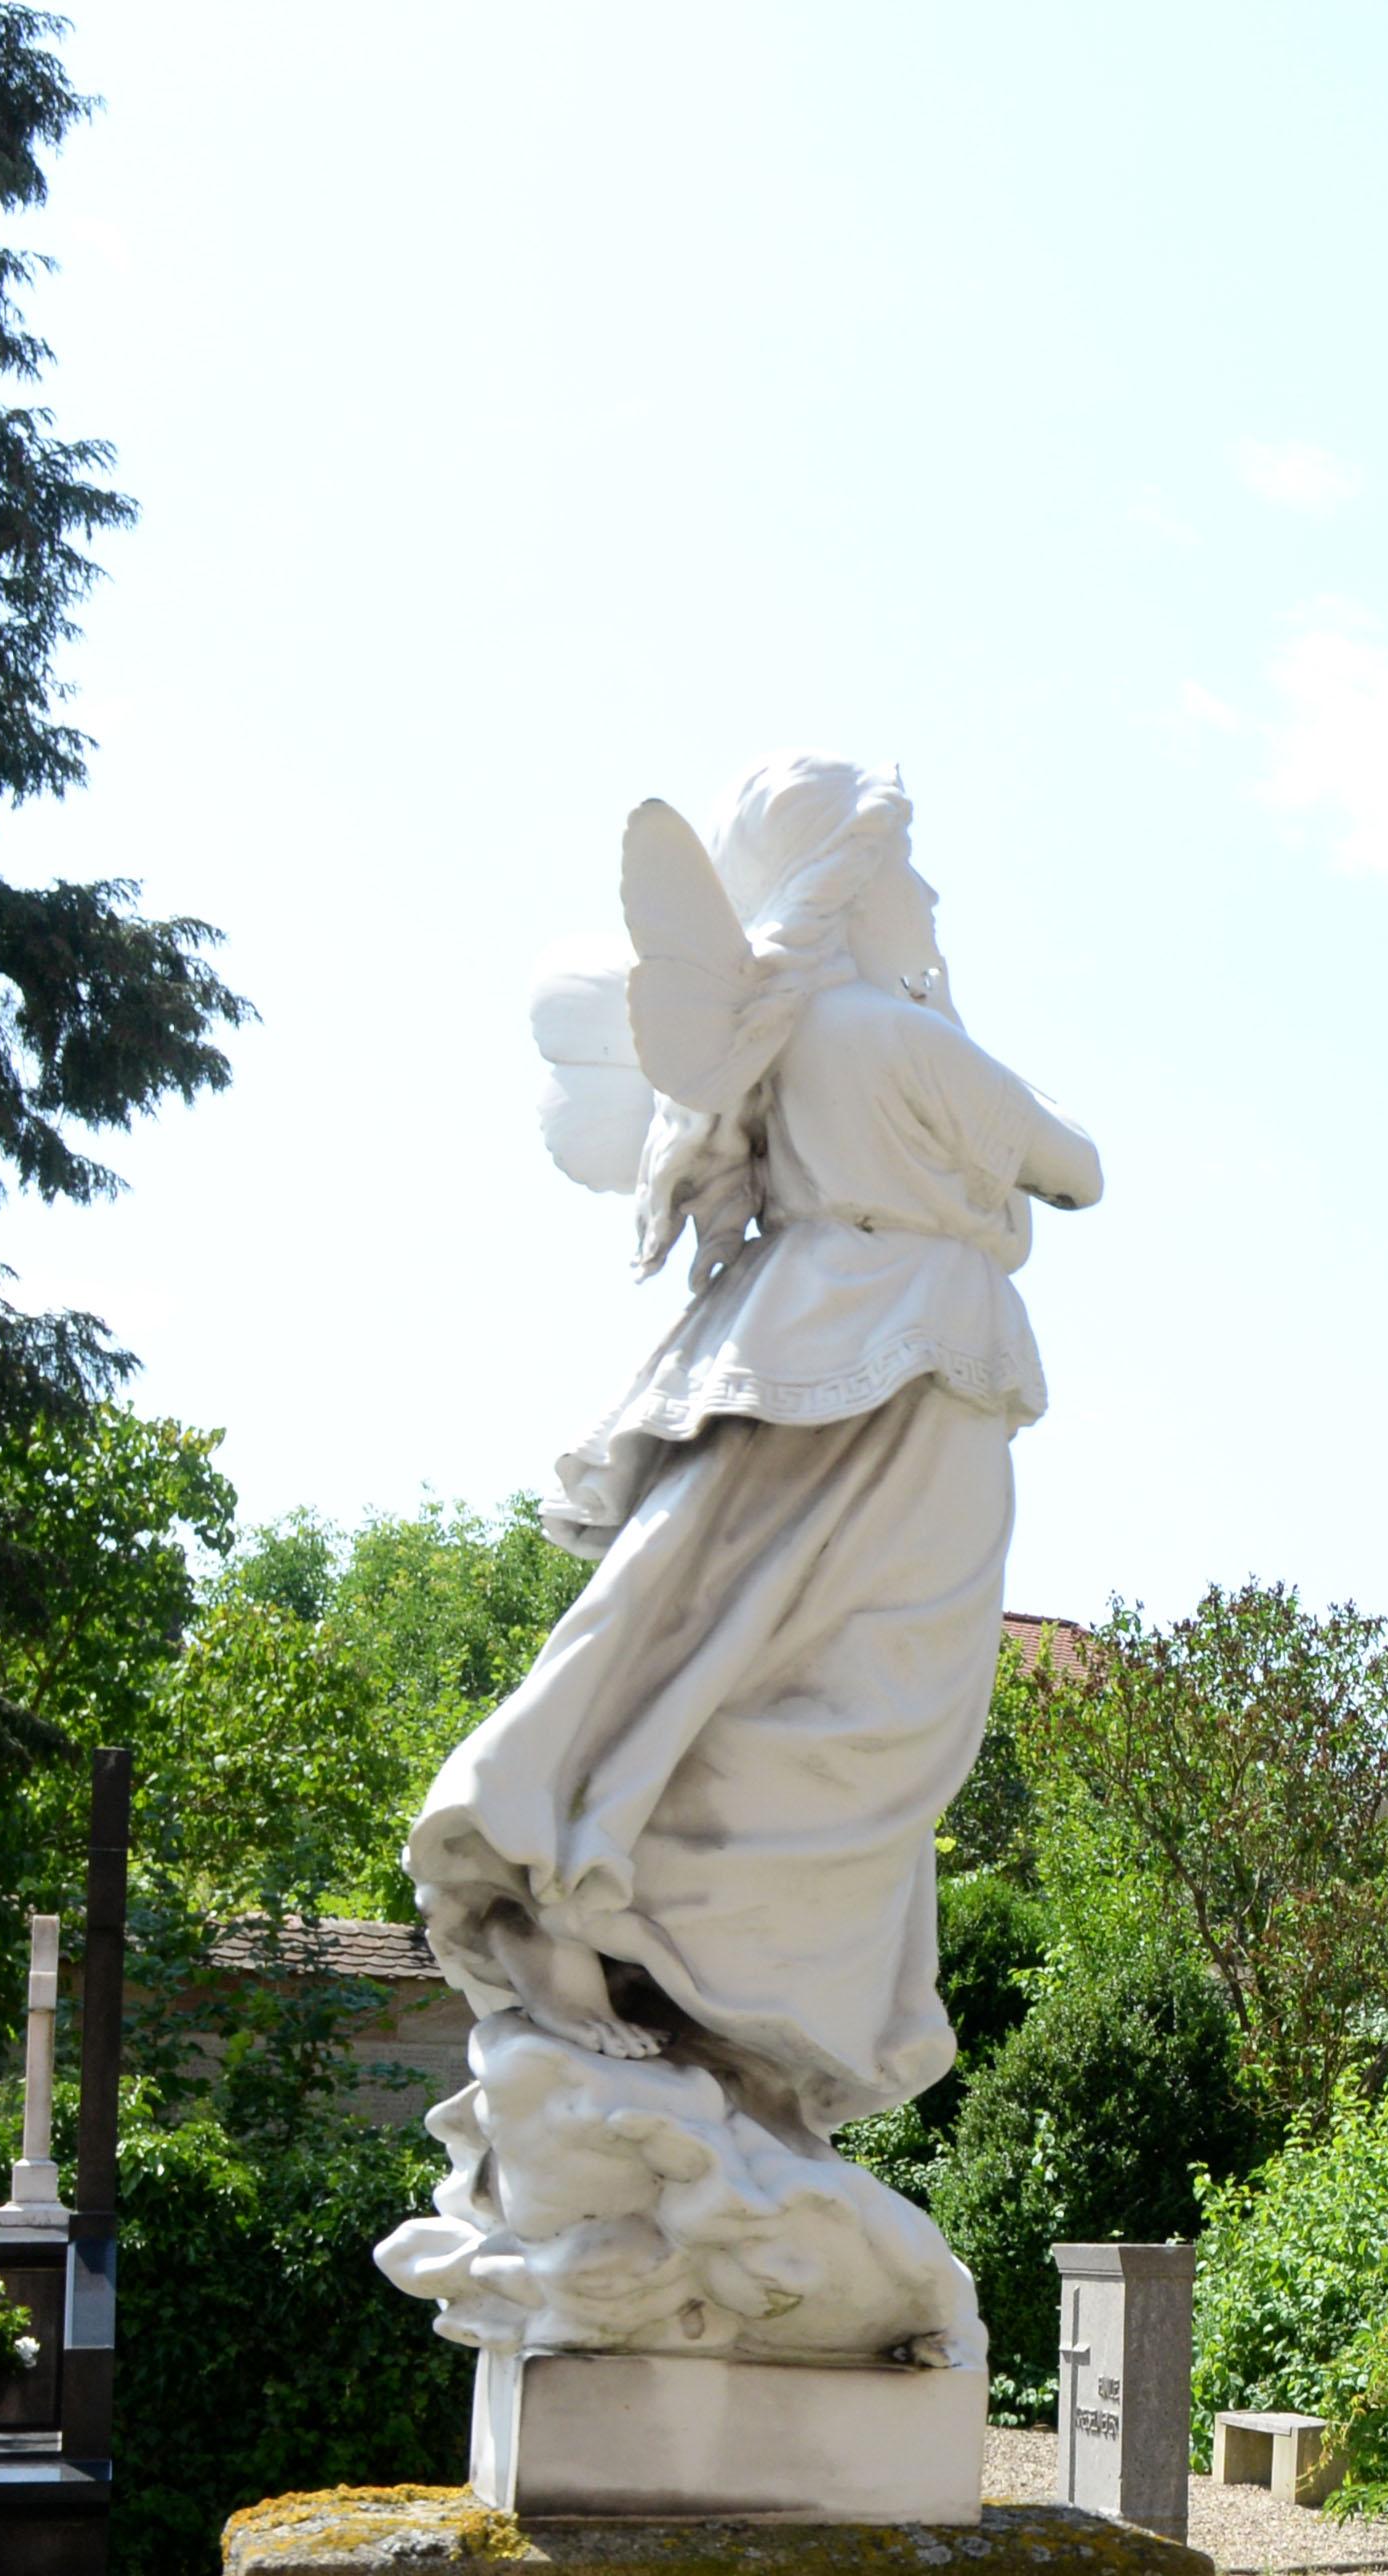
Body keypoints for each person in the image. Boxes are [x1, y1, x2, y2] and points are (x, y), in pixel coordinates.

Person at [374, 759, 1095, 2371]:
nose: (936, 907)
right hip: (906, 1377)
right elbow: (1075, 1164)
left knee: (724, 1649)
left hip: (821, 1359)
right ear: (854, 884)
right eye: (916, 874)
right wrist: (956, 1033)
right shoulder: (894, 1039)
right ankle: (644, 1940)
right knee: (868, 1719)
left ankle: (636, 1942)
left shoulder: (789, 1054)